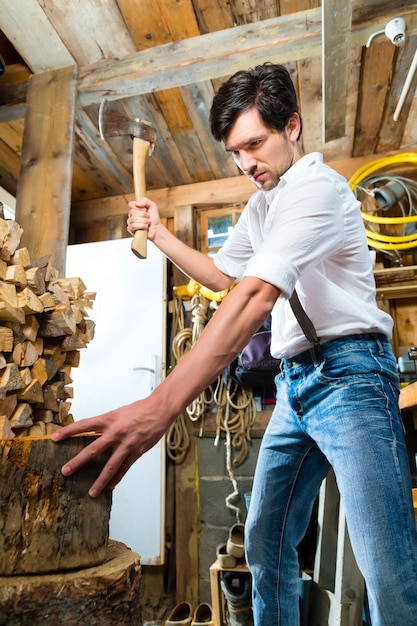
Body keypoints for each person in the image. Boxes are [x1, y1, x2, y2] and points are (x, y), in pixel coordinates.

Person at [53, 63, 417, 625]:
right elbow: (225, 276)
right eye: (235, 152)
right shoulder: (260, 206)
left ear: (291, 126)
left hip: (352, 378)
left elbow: (251, 299)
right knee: (264, 544)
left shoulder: (316, 188)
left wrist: (159, 407)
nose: (247, 163)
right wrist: (162, 233)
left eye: (255, 143)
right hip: (295, 385)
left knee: (386, 569)